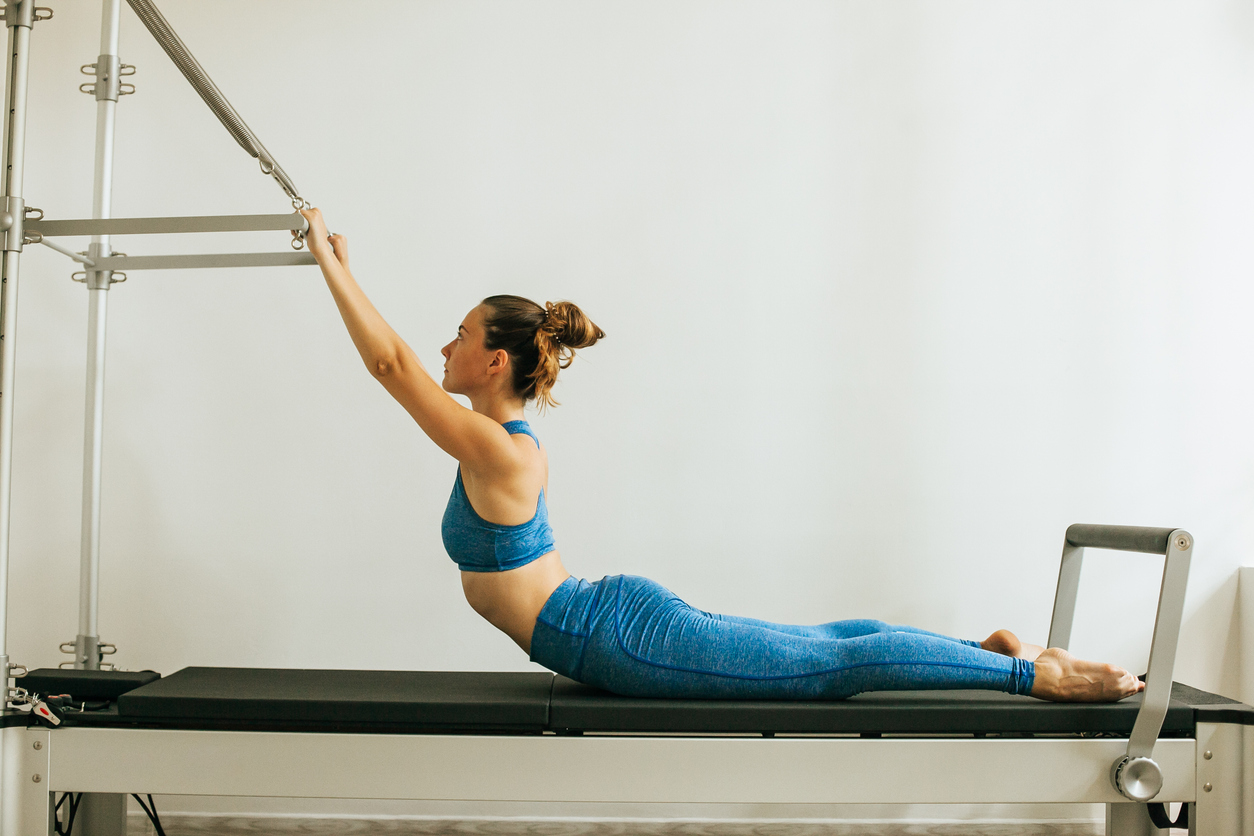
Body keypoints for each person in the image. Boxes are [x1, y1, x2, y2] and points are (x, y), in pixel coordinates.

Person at [301, 207, 1144, 703]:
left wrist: (329, 265)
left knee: (828, 666)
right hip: (608, 618)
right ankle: (983, 651)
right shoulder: (494, 440)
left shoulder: (500, 450)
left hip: (616, 640)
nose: (444, 345)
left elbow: (390, 365)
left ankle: (1035, 679)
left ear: (494, 362)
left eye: (461, 334)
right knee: (832, 640)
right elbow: (403, 363)